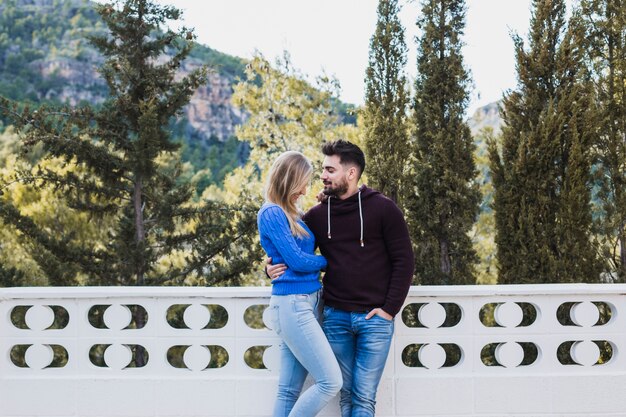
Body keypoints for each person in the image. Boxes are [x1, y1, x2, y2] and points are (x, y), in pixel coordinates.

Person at [267, 140, 414, 417]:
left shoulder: (383, 209)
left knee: (363, 398)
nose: (323, 175)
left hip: (375, 320)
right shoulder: (317, 215)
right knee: (344, 394)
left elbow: (404, 261)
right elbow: (292, 248)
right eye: (323, 169)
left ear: (351, 173)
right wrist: (270, 267)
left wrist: (389, 309)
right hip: (335, 316)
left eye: (329, 170)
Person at [258, 151, 342, 417]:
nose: (306, 189)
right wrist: (330, 261)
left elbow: (294, 254)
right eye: (303, 182)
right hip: (292, 305)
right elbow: (296, 261)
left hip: (306, 302)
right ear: (290, 180)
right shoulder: (271, 212)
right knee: (331, 382)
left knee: (288, 390)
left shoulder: (293, 214)